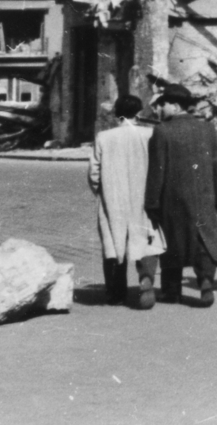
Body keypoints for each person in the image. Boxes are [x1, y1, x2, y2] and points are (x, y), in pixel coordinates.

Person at [143, 86, 217, 307]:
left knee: (172, 243)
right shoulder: (208, 129)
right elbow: (215, 165)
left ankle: (172, 291)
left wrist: (152, 202)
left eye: (163, 104)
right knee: (203, 240)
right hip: (204, 195)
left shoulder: (162, 131)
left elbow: (156, 171)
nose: (159, 109)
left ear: (175, 105)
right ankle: (205, 281)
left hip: (173, 198)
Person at [87, 93, 164, 309]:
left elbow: (94, 173)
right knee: (146, 239)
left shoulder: (104, 137)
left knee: (113, 241)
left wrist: (102, 191)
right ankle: (146, 278)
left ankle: (115, 292)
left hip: (113, 197)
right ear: (139, 112)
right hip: (144, 197)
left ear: (116, 113)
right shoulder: (150, 134)